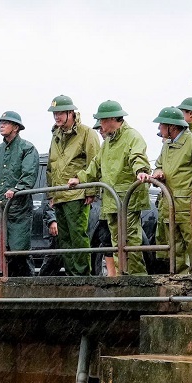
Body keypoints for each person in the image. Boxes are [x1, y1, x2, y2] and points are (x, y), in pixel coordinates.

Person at [69, 101, 151, 276]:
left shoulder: (132, 137)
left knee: (129, 240)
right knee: (116, 242)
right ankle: (122, 278)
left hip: (128, 198)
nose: (101, 125)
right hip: (112, 199)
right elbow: (96, 165)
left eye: (102, 120)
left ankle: (137, 280)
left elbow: (138, 156)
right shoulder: (108, 143)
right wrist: (80, 178)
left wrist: (141, 171)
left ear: (112, 119)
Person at [137, 107, 192, 274]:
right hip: (169, 204)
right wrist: (157, 172)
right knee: (174, 248)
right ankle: (180, 282)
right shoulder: (167, 145)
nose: (159, 129)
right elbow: (159, 165)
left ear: (172, 127)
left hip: (189, 205)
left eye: (161, 125)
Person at [0, 111, 39, 276]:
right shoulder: (0, 150)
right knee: (0, 250)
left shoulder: (27, 148)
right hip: (0, 208)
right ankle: (7, 288)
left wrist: (17, 190)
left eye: (6, 123)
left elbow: (29, 176)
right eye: (0, 123)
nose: (1, 125)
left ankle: (27, 286)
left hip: (19, 209)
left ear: (16, 127)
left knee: (19, 250)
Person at [42, 95, 100, 276]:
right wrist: (51, 194)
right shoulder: (56, 135)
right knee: (64, 239)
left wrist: (91, 190)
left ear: (71, 113)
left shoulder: (87, 133)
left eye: (60, 113)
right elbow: (51, 166)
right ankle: (71, 275)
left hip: (77, 194)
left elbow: (95, 162)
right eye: (54, 113)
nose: (57, 117)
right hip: (59, 193)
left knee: (78, 235)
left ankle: (82, 276)